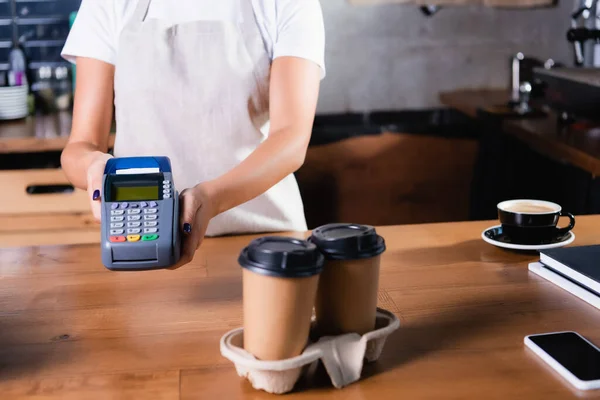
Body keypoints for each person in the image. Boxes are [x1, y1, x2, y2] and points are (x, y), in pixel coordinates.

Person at [60, 0, 326, 268]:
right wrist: (93, 167)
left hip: (266, 246)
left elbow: (291, 139)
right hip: (144, 246)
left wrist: (210, 199)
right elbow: (81, 145)